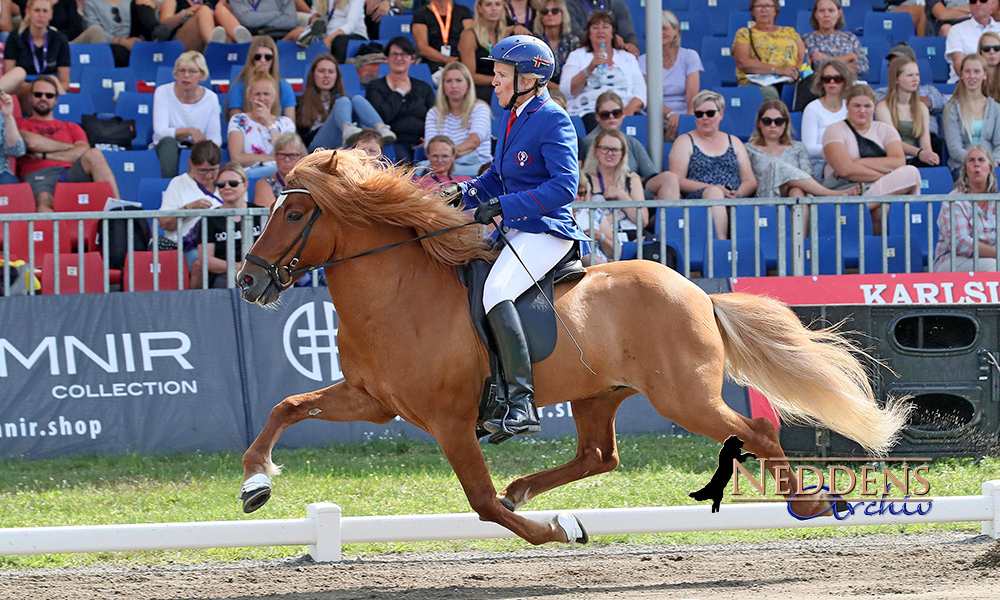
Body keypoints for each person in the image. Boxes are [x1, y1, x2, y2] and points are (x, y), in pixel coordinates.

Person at [445, 35, 590, 438]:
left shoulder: (553, 118)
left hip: (546, 231)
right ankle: (492, 393)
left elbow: (565, 187)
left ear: (529, 79)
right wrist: (465, 192)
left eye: (502, 75)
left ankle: (522, 401)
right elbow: (497, 176)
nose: (494, 81)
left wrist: (505, 207)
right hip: (516, 228)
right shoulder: (512, 116)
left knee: (496, 293)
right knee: (470, 280)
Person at [822, 84, 922, 235]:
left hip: (878, 188)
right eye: (857, 105)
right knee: (883, 209)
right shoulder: (834, 129)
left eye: (867, 106)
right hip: (846, 189)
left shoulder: (885, 129)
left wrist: (859, 163)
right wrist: (886, 176)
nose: (862, 111)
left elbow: (898, 162)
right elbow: (844, 170)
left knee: (911, 172)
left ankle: (858, 210)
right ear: (847, 105)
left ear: (874, 107)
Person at [16, 76, 121, 211]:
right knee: (43, 199)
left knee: (94, 154)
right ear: (30, 97)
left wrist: (44, 155)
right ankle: (53, 232)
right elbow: (32, 143)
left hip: (70, 173)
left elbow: (83, 152)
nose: (43, 98)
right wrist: (71, 148)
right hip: (39, 175)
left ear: (56, 100)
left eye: (49, 95)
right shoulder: (20, 124)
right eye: (38, 94)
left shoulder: (71, 127)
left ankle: (118, 211)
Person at [668, 90, 757, 240]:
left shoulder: (733, 141)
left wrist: (738, 193)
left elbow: (750, 180)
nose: (705, 118)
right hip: (699, 200)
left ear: (720, 114)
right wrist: (713, 189)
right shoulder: (684, 141)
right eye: (699, 114)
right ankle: (720, 246)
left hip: (733, 198)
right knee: (714, 193)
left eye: (710, 113)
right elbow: (676, 180)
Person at [746, 99, 858, 201]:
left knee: (797, 191)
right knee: (778, 165)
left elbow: (808, 178)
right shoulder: (749, 149)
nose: (773, 125)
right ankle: (829, 193)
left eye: (778, 121)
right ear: (759, 123)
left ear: (786, 124)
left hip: (790, 196)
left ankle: (800, 224)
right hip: (762, 198)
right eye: (767, 121)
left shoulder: (798, 147)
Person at [580, 91, 679, 201]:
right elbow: (600, 177)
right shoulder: (591, 141)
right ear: (597, 117)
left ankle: (669, 218)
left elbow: (650, 174)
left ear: (623, 114)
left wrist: (638, 186)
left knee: (670, 178)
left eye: (616, 113)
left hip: (634, 187)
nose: (611, 117)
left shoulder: (631, 141)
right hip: (607, 191)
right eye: (605, 115)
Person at [559, 10, 645, 131]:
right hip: (589, 111)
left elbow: (640, 94)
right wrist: (589, 68)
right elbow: (566, 91)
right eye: (595, 27)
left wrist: (623, 114)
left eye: (605, 27)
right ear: (589, 33)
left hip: (622, 110)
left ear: (613, 33)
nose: (600, 31)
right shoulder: (577, 56)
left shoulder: (627, 57)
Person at [297, 54, 395, 151]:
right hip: (317, 148)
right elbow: (299, 137)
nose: (326, 75)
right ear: (313, 74)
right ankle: (347, 129)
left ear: (336, 76)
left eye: (331, 72)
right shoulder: (300, 101)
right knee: (343, 101)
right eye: (321, 71)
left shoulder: (345, 103)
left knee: (357, 99)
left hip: (344, 145)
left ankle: (382, 129)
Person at [152, 51, 223, 178]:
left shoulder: (211, 98)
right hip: (166, 147)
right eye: (182, 71)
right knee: (168, 142)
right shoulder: (163, 92)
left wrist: (201, 142)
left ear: (201, 74)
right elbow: (160, 131)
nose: (186, 75)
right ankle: (170, 185)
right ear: (176, 74)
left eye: (192, 71)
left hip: (195, 147)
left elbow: (216, 138)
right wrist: (190, 131)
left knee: (206, 149)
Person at [365, 36, 435, 163]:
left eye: (404, 54)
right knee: (402, 159)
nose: (398, 58)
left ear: (412, 58)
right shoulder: (375, 87)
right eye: (394, 54)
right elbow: (381, 117)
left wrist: (430, 139)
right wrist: (399, 92)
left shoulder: (424, 88)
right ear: (387, 58)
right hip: (392, 143)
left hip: (421, 142)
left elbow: (434, 117)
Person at [191, 161, 260, 289]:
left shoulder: (261, 213)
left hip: (260, 272)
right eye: (221, 184)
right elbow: (207, 259)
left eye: (233, 183)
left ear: (245, 185)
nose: (227, 187)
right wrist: (236, 266)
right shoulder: (210, 219)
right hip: (225, 274)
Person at [581, 128, 647, 259]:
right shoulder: (586, 180)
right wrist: (621, 214)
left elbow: (643, 220)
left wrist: (622, 196)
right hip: (602, 241)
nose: (609, 154)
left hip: (631, 238)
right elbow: (586, 216)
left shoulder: (632, 179)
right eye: (604, 148)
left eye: (615, 150)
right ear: (596, 151)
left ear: (623, 153)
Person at [639, 10, 701, 143]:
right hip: (656, 115)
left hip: (684, 113)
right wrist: (670, 115)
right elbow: (647, 96)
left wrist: (685, 121)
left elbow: (692, 98)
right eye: (656, 28)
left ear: (676, 30)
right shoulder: (644, 60)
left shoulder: (690, 56)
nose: (661, 33)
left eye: (664, 28)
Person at [158, 139, 224, 266]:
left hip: (223, 243)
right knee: (200, 261)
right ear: (191, 164)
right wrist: (189, 208)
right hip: (188, 246)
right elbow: (164, 223)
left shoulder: (228, 183)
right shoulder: (179, 183)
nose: (209, 176)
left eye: (213, 170)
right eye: (203, 170)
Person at [934, 144, 998, 271]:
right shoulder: (954, 199)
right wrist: (997, 253)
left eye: (981, 160)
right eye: (971, 160)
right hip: (952, 260)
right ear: (965, 169)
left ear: (990, 168)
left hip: (991, 258)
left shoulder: (997, 200)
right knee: (994, 267)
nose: (976, 164)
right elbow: (960, 242)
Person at [423, 61, 490, 176]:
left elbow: (474, 141)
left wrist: (447, 155)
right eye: (448, 81)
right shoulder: (433, 112)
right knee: (417, 170)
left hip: (475, 164)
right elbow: (430, 147)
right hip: (441, 164)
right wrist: (446, 158)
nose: (454, 85)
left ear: (468, 84)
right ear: (443, 85)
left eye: (459, 81)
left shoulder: (480, 108)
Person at [875, 56, 942, 169]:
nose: (915, 79)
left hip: (913, 159)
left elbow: (926, 145)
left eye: (917, 75)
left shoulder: (921, 108)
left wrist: (930, 157)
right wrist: (919, 153)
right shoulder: (883, 107)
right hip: (892, 160)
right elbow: (892, 142)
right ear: (896, 79)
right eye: (910, 75)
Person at [227, 70, 296, 178]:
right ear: (250, 96)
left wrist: (269, 122)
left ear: (273, 97)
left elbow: (287, 154)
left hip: (282, 176)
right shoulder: (238, 120)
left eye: (266, 94)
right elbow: (237, 158)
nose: (262, 98)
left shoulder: (286, 123)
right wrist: (272, 158)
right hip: (250, 175)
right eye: (257, 94)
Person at [731, 0, 806, 100]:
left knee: (812, 88)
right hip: (757, 82)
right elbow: (743, 62)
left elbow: (803, 56)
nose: (764, 10)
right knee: (770, 93)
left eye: (768, 6)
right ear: (752, 11)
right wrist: (778, 70)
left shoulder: (789, 31)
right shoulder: (744, 33)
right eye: (759, 6)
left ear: (775, 10)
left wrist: (796, 71)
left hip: (790, 78)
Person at [874, 44, 948, 143]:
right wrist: (923, 101)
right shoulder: (881, 92)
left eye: (900, 63)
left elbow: (945, 102)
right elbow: (880, 102)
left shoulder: (929, 90)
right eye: (892, 65)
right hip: (896, 141)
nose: (894, 68)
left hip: (929, 137)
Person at [944, 54, 1000, 178]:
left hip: (991, 165)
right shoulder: (952, 107)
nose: (972, 76)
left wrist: (992, 163)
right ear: (961, 75)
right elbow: (954, 148)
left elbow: (999, 145)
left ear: (984, 74)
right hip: (962, 166)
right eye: (967, 71)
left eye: (976, 71)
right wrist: (976, 163)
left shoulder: (996, 108)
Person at [802, 58, 854, 179]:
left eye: (837, 79)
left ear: (845, 81)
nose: (832, 82)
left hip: (850, 161)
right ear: (821, 82)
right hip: (819, 163)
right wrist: (838, 150)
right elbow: (808, 148)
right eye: (827, 79)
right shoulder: (812, 108)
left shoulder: (851, 107)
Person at [3, 0, 62, 103]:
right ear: (28, 12)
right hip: (23, 89)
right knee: (18, 72)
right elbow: (9, 76)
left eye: (45, 11)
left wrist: (43, 86)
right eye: (37, 10)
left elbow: (65, 82)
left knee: (54, 80)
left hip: (49, 91)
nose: (41, 15)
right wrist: (34, 86)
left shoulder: (59, 39)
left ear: (51, 14)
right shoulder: (15, 37)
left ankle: (69, 114)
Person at [226, 36, 296, 121]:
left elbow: (290, 126)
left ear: (274, 60)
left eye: (268, 57)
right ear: (251, 59)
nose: (263, 60)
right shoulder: (240, 86)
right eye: (258, 57)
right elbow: (236, 123)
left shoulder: (284, 86)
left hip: (276, 133)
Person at [459, 0, 511, 102]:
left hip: (503, 87)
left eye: (497, 4)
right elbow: (469, 75)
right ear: (479, 8)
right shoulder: (469, 35)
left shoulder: (506, 35)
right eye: (488, 5)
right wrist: (500, 80)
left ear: (503, 8)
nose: (493, 8)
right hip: (479, 90)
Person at [801, 0, 868, 78]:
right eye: (822, 11)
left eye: (831, 10)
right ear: (816, 14)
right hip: (824, 84)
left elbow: (863, 67)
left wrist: (827, 58)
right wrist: (849, 56)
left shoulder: (850, 37)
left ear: (839, 13)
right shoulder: (809, 38)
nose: (826, 15)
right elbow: (819, 65)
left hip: (851, 85)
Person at [287, 0, 367, 65]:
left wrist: (329, 39)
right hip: (327, 34)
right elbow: (315, 12)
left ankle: (338, 72)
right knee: (297, 34)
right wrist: (315, 24)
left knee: (339, 41)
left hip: (351, 35)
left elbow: (352, 24)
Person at [83, 0, 158, 68]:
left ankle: (156, 38)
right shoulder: (91, 3)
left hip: (137, 36)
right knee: (119, 53)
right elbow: (94, 32)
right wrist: (123, 42)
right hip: (111, 43)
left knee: (141, 5)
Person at [945, 0, 1000, 83]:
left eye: (983, 0)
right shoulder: (956, 30)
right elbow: (958, 65)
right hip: (966, 85)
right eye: (973, 1)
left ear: (992, 3)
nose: (977, 4)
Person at [411, 0, 473, 73]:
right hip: (434, 62)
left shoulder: (463, 11)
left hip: (461, 60)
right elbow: (423, 48)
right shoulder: (421, 14)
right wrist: (447, 59)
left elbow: (470, 38)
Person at [564, 0, 639, 57]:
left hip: (615, 55)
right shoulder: (570, 6)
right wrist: (608, 39)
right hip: (585, 54)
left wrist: (631, 45)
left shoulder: (618, 5)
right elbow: (576, 32)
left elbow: (628, 34)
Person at [532, 0, 577, 92]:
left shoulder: (573, 41)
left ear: (563, 14)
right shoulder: (534, 43)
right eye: (545, 12)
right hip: (540, 91)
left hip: (570, 90)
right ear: (540, 17)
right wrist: (558, 89)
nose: (550, 14)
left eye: (555, 11)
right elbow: (532, 74)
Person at [254, 133, 305, 207]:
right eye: (282, 155)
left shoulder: (308, 183)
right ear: (275, 157)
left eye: (292, 155)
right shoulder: (264, 184)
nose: (287, 159)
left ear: (300, 157)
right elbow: (268, 215)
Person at [156, 0, 221, 51]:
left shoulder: (214, 1)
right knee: (204, 10)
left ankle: (220, 47)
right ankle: (215, 47)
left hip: (203, 43)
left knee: (221, 11)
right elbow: (162, 26)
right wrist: (183, 14)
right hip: (179, 44)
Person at [217, 0, 296, 41]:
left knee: (300, 31)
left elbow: (291, 20)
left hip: (282, 34)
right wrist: (277, 13)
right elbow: (248, 20)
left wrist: (259, 20)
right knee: (228, 37)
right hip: (251, 35)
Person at [0, 90, 25, 185]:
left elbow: (17, 150)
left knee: (9, 185)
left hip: (1, 174)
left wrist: (8, 116)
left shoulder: (2, 117)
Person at [981, 32, 1000, 102]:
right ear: (980, 52)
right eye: (986, 48)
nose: (992, 52)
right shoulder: (973, 76)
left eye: (997, 48)